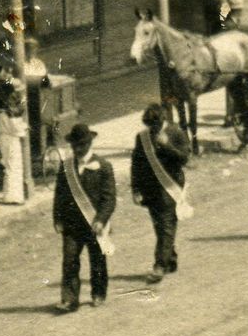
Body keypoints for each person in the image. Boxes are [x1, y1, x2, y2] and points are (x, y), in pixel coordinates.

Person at [55, 124, 116, 310]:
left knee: (97, 260)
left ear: (89, 144)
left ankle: (98, 293)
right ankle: (70, 299)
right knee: (69, 260)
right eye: (74, 146)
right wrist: (57, 219)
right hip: (72, 224)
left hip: (94, 223)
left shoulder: (104, 166)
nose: (77, 149)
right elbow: (59, 195)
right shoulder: (66, 166)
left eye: (81, 145)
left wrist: (101, 220)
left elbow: (109, 199)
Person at [130, 105, 190, 280]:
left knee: (166, 224)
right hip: (150, 188)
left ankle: (160, 265)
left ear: (163, 120)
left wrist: (167, 146)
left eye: (155, 125)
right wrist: (135, 189)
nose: (153, 129)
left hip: (170, 186)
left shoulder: (176, 132)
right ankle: (170, 258)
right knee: (160, 226)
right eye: (150, 126)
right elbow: (136, 164)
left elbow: (184, 158)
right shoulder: (142, 138)